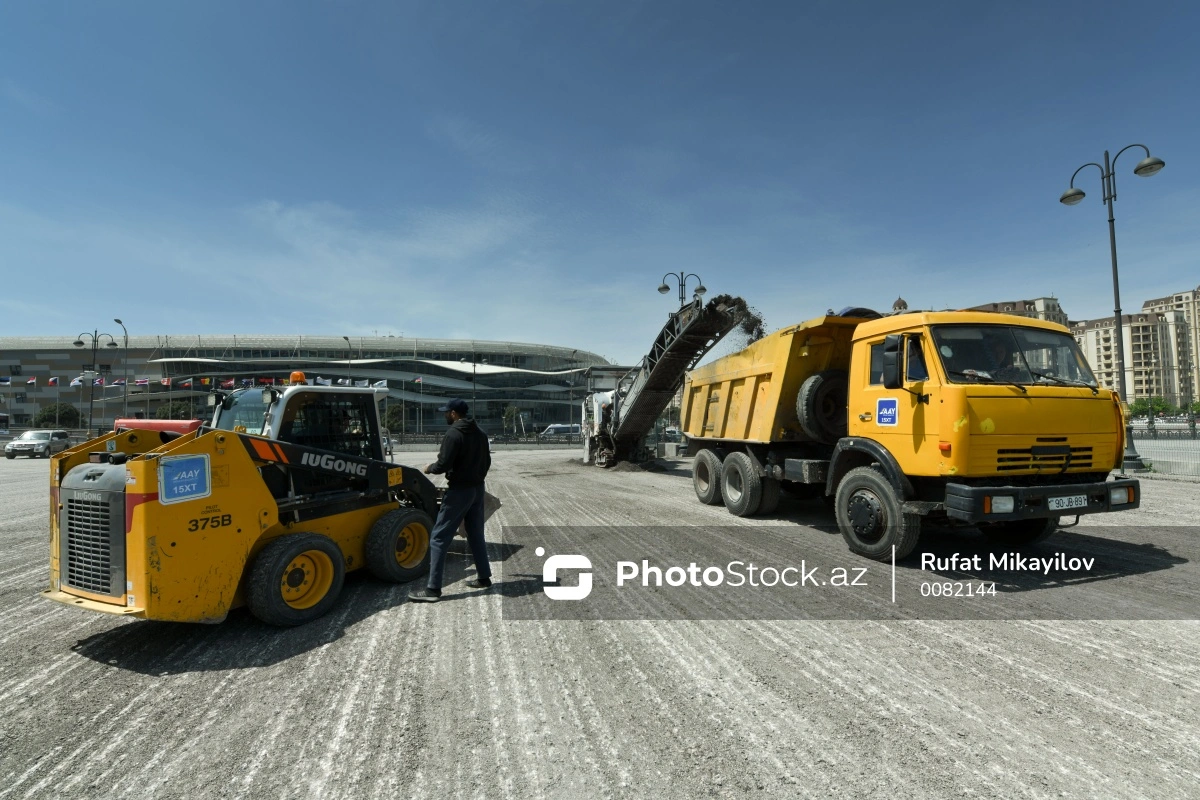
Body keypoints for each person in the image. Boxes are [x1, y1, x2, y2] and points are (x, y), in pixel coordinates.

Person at [409, 398, 492, 602]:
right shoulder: (480, 433)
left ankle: (433, 591)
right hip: (477, 489)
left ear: (454, 413)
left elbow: (443, 464)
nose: (444, 415)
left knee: (438, 538)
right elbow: (487, 461)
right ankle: (484, 578)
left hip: (459, 492)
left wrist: (429, 468)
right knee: (475, 535)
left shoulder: (453, 434)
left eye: (446, 412)